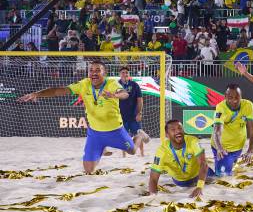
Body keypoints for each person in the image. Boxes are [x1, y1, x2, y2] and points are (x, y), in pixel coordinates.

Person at [18, 60, 148, 173]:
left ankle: (139, 135)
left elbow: (124, 93)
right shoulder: (83, 84)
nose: (93, 73)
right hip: (95, 134)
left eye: (98, 70)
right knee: (89, 170)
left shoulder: (111, 84)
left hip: (115, 131)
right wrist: (37, 94)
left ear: (105, 73)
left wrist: (115, 95)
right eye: (91, 70)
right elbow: (58, 90)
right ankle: (100, 149)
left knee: (132, 151)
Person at [148, 120, 210, 198]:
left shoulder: (193, 141)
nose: (178, 131)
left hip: (198, 175)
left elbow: (203, 164)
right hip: (181, 182)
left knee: (212, 173)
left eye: (180, 128)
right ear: (167, 135)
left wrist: (199, 187)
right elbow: (153, 178)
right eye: (173, 130)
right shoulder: (162, 150)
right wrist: (153, 197)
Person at [211, 84, 253, 176]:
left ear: (241, 96)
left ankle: (231, 161)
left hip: (238, 148)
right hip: (223, 149)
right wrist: (219, 148)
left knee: (231, 163)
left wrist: (250, 151)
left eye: (237, 97)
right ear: (225, 97)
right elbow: (217, 132)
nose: (234, 100)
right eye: (230, 97)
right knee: (221, 175)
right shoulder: (220, 108)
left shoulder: (248, 105)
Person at [118, 66, 148, 157]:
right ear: (120, 74)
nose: (125, 74)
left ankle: (142, 153)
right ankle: (124, 155)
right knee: (124, 136)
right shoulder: (116, 85)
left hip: (134, 115)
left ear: (129, 74)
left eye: (126, 72)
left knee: (138, 134)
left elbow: (140, 100)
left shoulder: (135, 85)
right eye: (123, 72)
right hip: (121, 115)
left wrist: (139, 113)